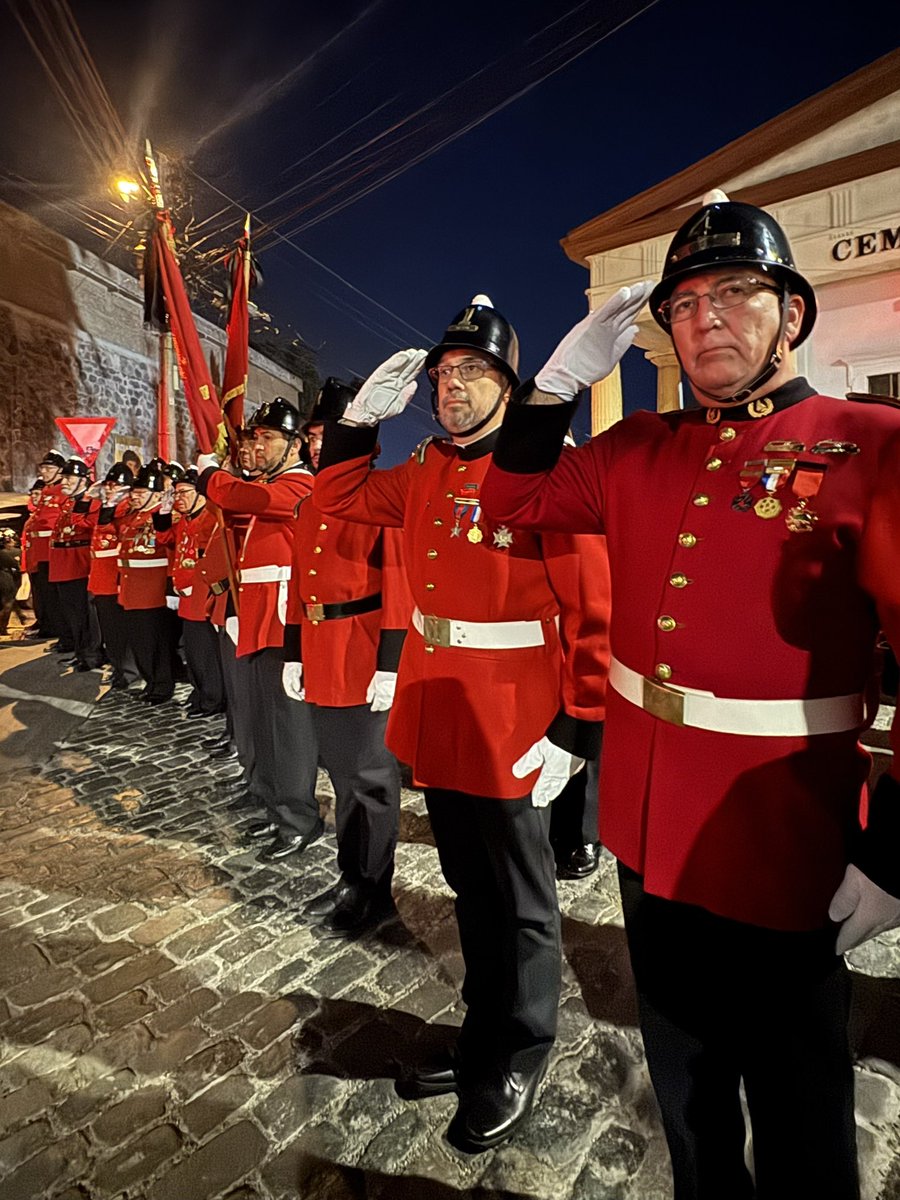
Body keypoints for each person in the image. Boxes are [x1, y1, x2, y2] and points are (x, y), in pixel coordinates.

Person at [480, 196, 900, 1199]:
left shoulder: (871, 445)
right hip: (650, 823)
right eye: (686, 302)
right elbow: (511, 504)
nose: (706, 315)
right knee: (686, 1082)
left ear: (790, 314)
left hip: (784, 838)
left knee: (799, 1097)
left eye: (737, 292)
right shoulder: (638, 448)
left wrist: (894, 854)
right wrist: (554, 387)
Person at [314, 297, 610, 1153]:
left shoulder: (549, 467)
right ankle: (484, 1032)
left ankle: (522, 1048)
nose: (451, 388)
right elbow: (338, 499)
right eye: (443, 376)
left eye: (471, 372)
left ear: (511, 389)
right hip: (441, 705)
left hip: (515, 713)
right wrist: (358, 420)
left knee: (521, 899)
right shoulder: (424, 470)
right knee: (469, 887)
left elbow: (592, 602)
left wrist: (577, 723)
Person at [284, 377, 412, 937]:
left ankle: (375, 889)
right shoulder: (312, 502)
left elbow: (401, 583)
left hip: (363, 650)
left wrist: (390, 662)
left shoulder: (383, 494)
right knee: (340, 778)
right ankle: (351, 878)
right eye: (313, 435)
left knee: (373, 781)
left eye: (328, 434)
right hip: (320, 651)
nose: (318, 444)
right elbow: (298, 582)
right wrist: (294, 652)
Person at [197, 397, 322, 863]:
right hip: (255, 614)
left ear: (293, 446)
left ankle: (298, 818)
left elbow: (244, 497)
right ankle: (268, 796)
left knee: (289, 727)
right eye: (254, 437)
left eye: (267, 438)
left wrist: (210, 473)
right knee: (258, 719)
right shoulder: (271, 483)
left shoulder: (301, 485)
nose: (258, 446)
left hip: (284, 618)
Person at [101, 461, 177, 704]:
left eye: (140, 493)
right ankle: (151, 682)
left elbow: (169, 543)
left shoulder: (163, 516)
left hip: (152, 590)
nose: (134, 497)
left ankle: (162, 686)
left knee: (154, 642)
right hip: (131, 588)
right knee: (139, 642)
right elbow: (106, 527)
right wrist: (111, 502)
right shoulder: (131, 517)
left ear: (155, 495)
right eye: (133, 492)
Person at [153, 466, 225, 717]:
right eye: (176, 493)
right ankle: (200, 693)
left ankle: (212, 700)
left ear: (201, 494)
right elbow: (163, 540)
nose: (179, 497)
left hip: (203, 595)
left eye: (184, 492)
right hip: (186, 596)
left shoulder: (211, 518)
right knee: (194, 653)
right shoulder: (183, 521)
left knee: (206, 654)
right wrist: (162, 510)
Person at [87, 462, 139, 689]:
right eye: (108, 485)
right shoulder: (105, 508)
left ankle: (129, 672)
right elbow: (86, 522)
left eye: (115, 485)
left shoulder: (126, 508)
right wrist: (90, 497)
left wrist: (108, 502)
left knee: (122, 632)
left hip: (116, 577)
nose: (110, 489)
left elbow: (112, 522)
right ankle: (119, 669)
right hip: (101, 577)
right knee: (111, 633)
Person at [48, 457, 104, 672]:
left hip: (79, 563)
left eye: (69, 478)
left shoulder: (92, 502)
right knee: (72, 614)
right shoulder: (69, 502)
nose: (64, 482)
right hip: (64, 563)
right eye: (64, 478)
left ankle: (91, 655)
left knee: (85, 614)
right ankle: (81, 653)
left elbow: (88, 526)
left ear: (83, 480)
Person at [25, 451, 67, 644]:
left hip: (52, 549)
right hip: (39, 549)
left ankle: (57, 629)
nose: (45, 472)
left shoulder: (62, 491)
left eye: (49, 468)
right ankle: (48, 625)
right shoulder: (49, 490)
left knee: (54, 595)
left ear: (60, 471)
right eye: (43, 468)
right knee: (44, 593)